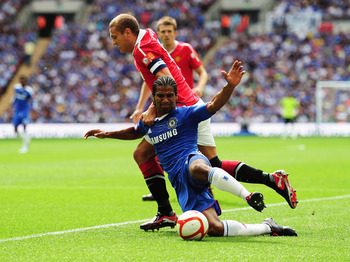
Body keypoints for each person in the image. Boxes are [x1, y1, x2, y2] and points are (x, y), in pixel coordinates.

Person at [108, 13, 297, 231]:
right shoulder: (146, 37)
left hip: (182, 110)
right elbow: (154, 77)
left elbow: (165, 77)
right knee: (213, 164)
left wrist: (151, 109)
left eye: (115, 37)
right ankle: (271, 180)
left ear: (128, 33)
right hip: (191, 104)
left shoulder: (144, 50)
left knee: (142, 154)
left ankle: (166, 212)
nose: (114, 42)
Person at [84, 61, 297, 237]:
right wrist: (105, 134)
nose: (166, 99)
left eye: (170, 95)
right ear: (154, 98)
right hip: (181, 184)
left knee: (197, 167)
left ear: (176, 96)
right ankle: (269, 227)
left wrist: (229, 86)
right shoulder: (150, 122)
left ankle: (247, 195)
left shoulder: (186, 114)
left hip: (192, 161)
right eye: (161, 96)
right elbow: (134, 132)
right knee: (213, 228)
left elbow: (213, 105)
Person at [139, 16, 209, 201]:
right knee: (155, 147)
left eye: (170, 31)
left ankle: (210, 179)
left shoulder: (185, 49)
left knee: (204, 154)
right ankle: (161, 192)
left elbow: (202, 72)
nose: (166, 34)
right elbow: (150, 83)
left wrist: (200, 87)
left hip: (186, 106)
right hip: (167, 106)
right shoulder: (156, 54)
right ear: (159, 33)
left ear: (175, 33)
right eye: (163, 31)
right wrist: (140, 106)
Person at [12, 76, 34, 153]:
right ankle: (26, 139)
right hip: (17, 110)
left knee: (24, 127)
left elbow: (31, 100)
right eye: (21, 80)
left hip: (24, 111)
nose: (22, 82)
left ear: (26, 81)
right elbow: (15, 97)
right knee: (15, 128)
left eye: (23, 80)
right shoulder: (16, 87)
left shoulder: (29, 90)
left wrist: (31, 109)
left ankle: (25, 146)